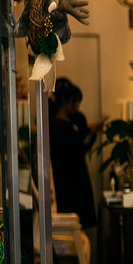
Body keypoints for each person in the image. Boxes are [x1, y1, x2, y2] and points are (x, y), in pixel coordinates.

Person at [49, 79, 101, 229]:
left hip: (78, 177)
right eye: (76, 101)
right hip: (67, 179)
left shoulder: (76, 120)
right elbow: (69, 150)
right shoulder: (56, 125)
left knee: (81, 224)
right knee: (72, 223)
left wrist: (90, 134)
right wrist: (86, 133)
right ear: (65, 101)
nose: (78, 106)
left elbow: (81, 148)